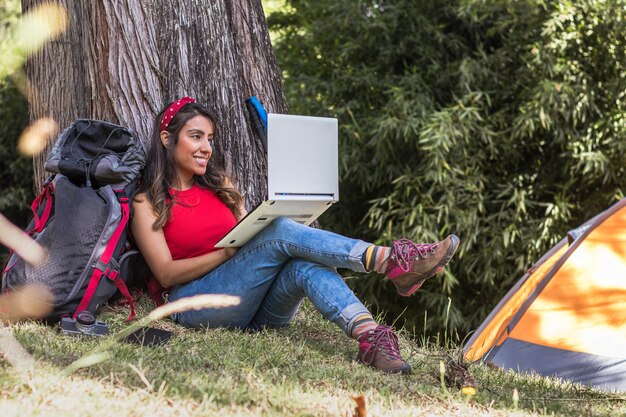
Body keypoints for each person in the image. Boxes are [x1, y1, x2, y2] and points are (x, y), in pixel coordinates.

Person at [131, 97, 460, 374]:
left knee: (302, 264)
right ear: (166, 138)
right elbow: (165, 272)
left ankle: (371, 339)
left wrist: (248, 239)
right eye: (196, 137)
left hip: (252, 311)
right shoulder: (147, 201)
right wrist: (227, 254)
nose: (206, 147)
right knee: (279, 230)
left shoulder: (222, 189)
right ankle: (389, 261)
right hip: (193, 305)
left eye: (210, 138)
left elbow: (251, 238)